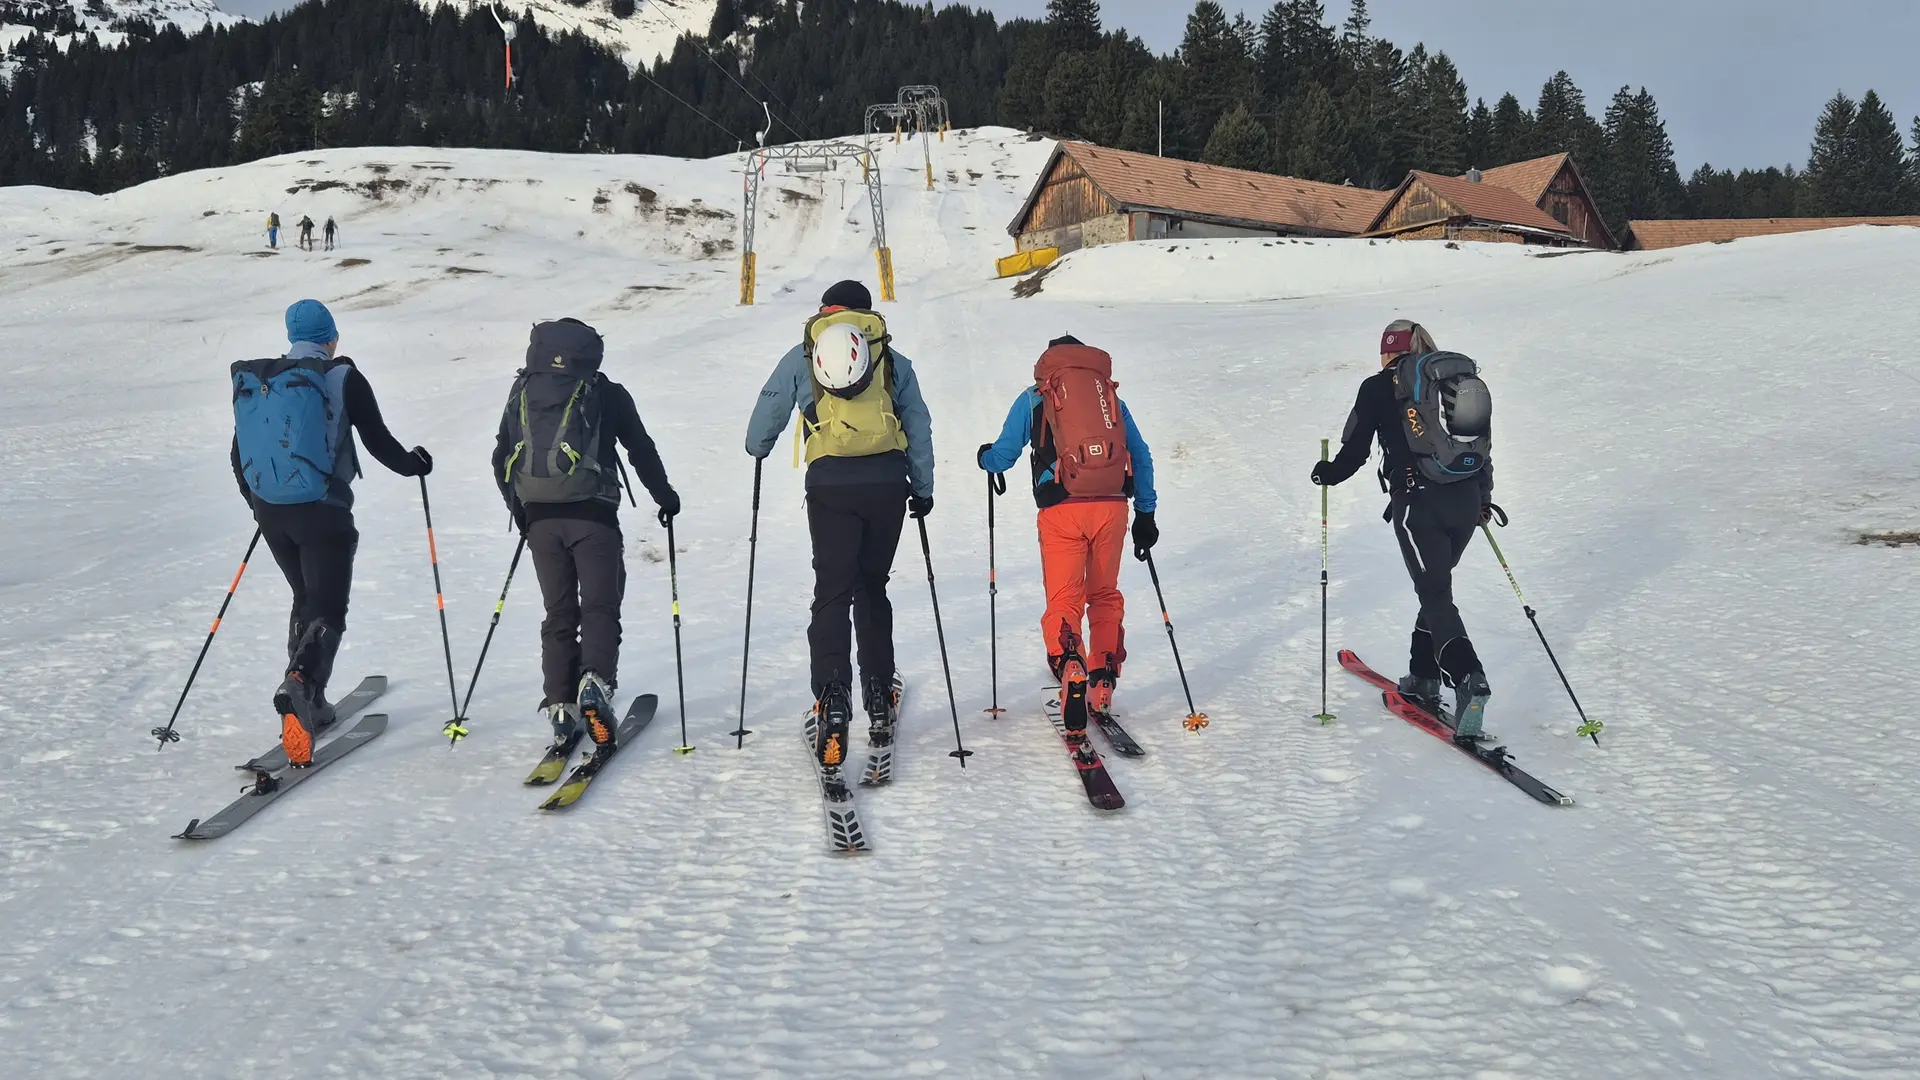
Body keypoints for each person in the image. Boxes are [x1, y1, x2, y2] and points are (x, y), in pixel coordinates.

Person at [230, 300, 433, 766]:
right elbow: (379, 442)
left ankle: (311, 701)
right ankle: (300, 682)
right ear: (332, 336)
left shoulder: (266, 383)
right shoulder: (342, 377)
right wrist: (416, 465)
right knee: (329, 609)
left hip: (272, 513)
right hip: (323, 511)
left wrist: (260, 507)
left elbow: (239, 453)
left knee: (305, 598)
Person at [744, 279, 933, 777]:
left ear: (826, 310)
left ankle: (831, 696)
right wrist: (923, 485)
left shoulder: (803, 354)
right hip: (888, 481)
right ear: (867, 314)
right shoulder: (890, 358)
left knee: (831, 590)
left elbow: (763, 421)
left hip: (829, 482)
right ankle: (877, 692)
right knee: (873, 586)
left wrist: (759, 448)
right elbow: (918, 422)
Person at [492, 318, 679, 764]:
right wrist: (665, 496)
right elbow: (640, 449)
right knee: (599, 606)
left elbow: (501, 455)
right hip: (593, 517)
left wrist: (521, 512)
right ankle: (595, 682)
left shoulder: (523, 391)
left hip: (540, 520)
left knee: (558, 611)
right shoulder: (605, 392)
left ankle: (560, 705)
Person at [1311, 319, 1496, 740]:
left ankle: (1469, 677)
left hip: (1418, 504)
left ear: (1386, 352)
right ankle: (1423, 675)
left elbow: (1355, 449)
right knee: (1436, 590)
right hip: (1466, 502)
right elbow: (1481, 447)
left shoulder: (1378, 387)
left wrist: (1328, 474)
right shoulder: (1456, 384)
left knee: (1434, 593)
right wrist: (1483, 498)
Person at [976, 334, 1156, 756]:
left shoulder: (1036, 395)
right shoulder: (1107, 395)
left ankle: (1070, 664)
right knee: (1105, 594)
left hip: (1061, 509)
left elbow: (1004, 454)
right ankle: (1102, 681)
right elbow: (1141, 454)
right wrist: (1146, 511)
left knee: (1065, 599)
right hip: (1112, 505)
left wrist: (986, 459)